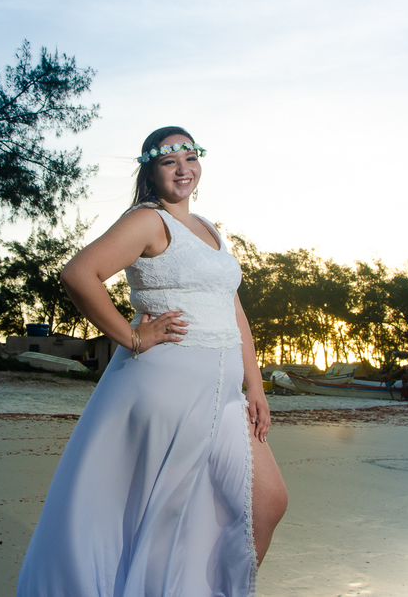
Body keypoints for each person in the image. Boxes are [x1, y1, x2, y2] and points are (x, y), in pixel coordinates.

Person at [15, 127, 288, 596]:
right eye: (169, 161)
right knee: (163, 516)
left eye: (190, 157)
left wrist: (256, 384)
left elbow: (233, 309)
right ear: (151, 170)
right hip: (167, 391)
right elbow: (79, 274)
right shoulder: (147, 220)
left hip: (224, 395)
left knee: (269, 502)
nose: (183, 168)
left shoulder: (207, 228)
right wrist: (133, 337)